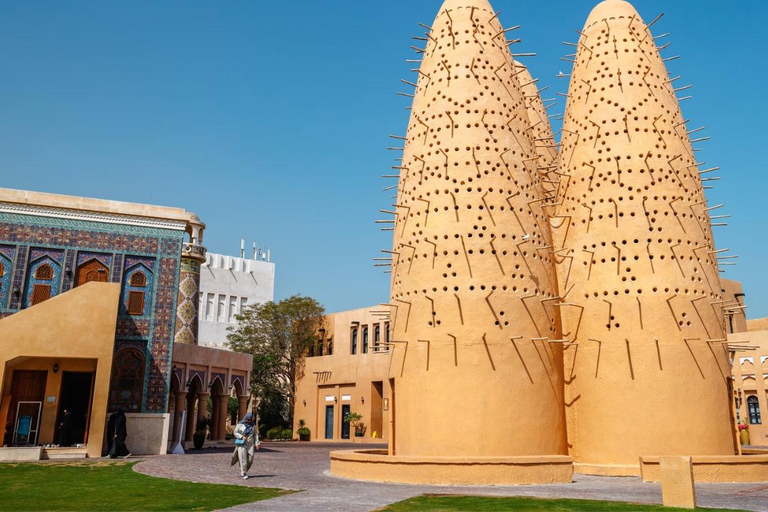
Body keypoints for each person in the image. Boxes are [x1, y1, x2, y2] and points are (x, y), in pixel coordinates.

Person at [231, 412, 259, 479]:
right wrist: (241, 436)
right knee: (243, 458)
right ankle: (244, 472)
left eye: (250, 420)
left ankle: (243, 469)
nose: (249, 421)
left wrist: (257, 443)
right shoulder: (240, 425)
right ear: (245, 419)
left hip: (250, 445)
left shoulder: (253, 426)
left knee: (250, 458)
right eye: (248, 420)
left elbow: (255, 435)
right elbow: (235, 432)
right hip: (242, 444)